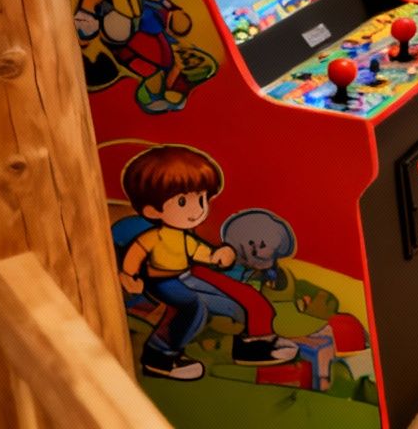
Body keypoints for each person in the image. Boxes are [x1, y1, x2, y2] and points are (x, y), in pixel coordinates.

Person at [117, 146, 296, 380]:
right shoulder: (153, 237)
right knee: (193, 307)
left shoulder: (183, 237)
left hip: (185, 275)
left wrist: (216, 256)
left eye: (201, 199)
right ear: (152, 210)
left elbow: (199, 252)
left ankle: (250, 346)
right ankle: (160, 355)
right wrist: (129, 276)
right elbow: (136, 254)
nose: (197, 210)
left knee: (233, 300)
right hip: (161, 281)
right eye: (183, 202)